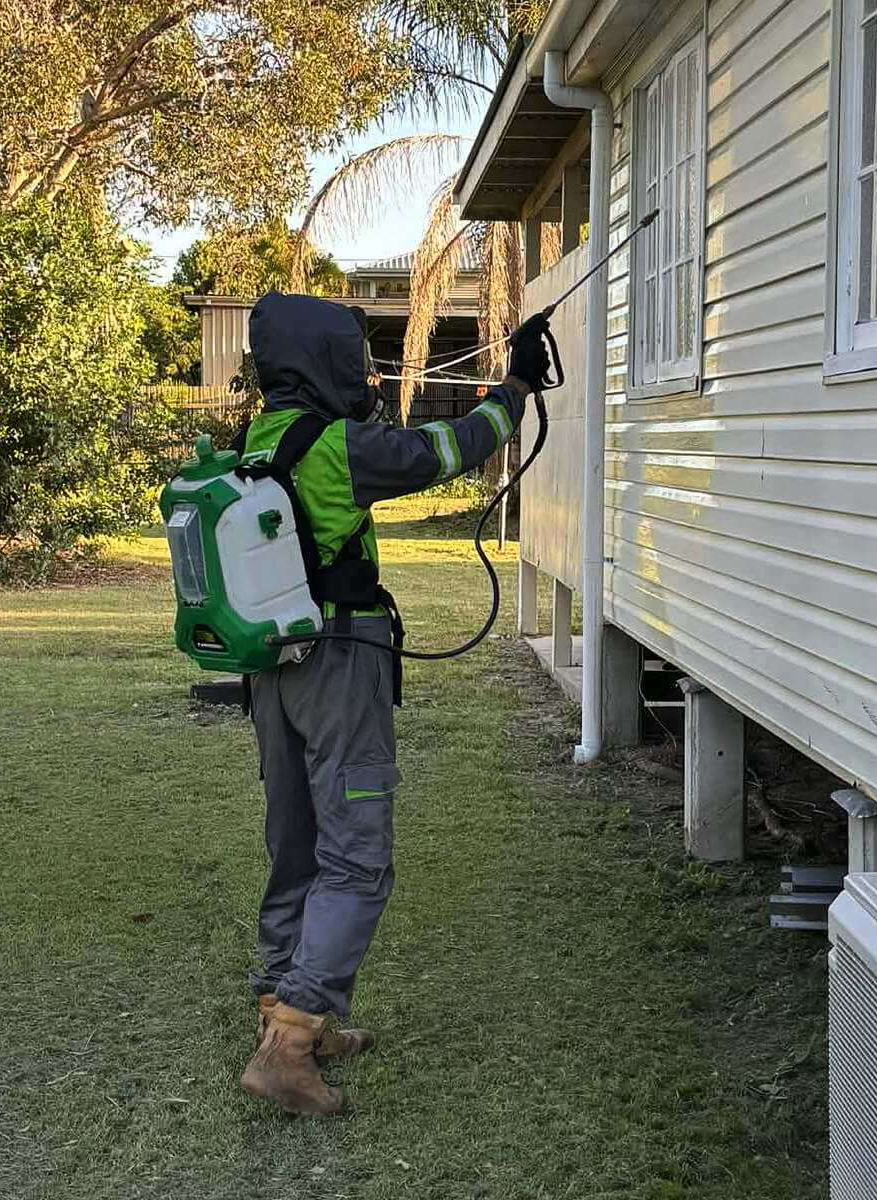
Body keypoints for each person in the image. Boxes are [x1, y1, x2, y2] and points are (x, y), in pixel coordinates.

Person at [236, 292, 551, 1117]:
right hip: (339, 665)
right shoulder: (336, 446)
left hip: (275, 669)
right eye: (356, 357)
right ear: (328, 363)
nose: (366, 372)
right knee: (358, 858)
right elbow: (441, 449)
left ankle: (285, 1006)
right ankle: (292, 1043)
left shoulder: (260, 438)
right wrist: (515, 386)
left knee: (296, 840)